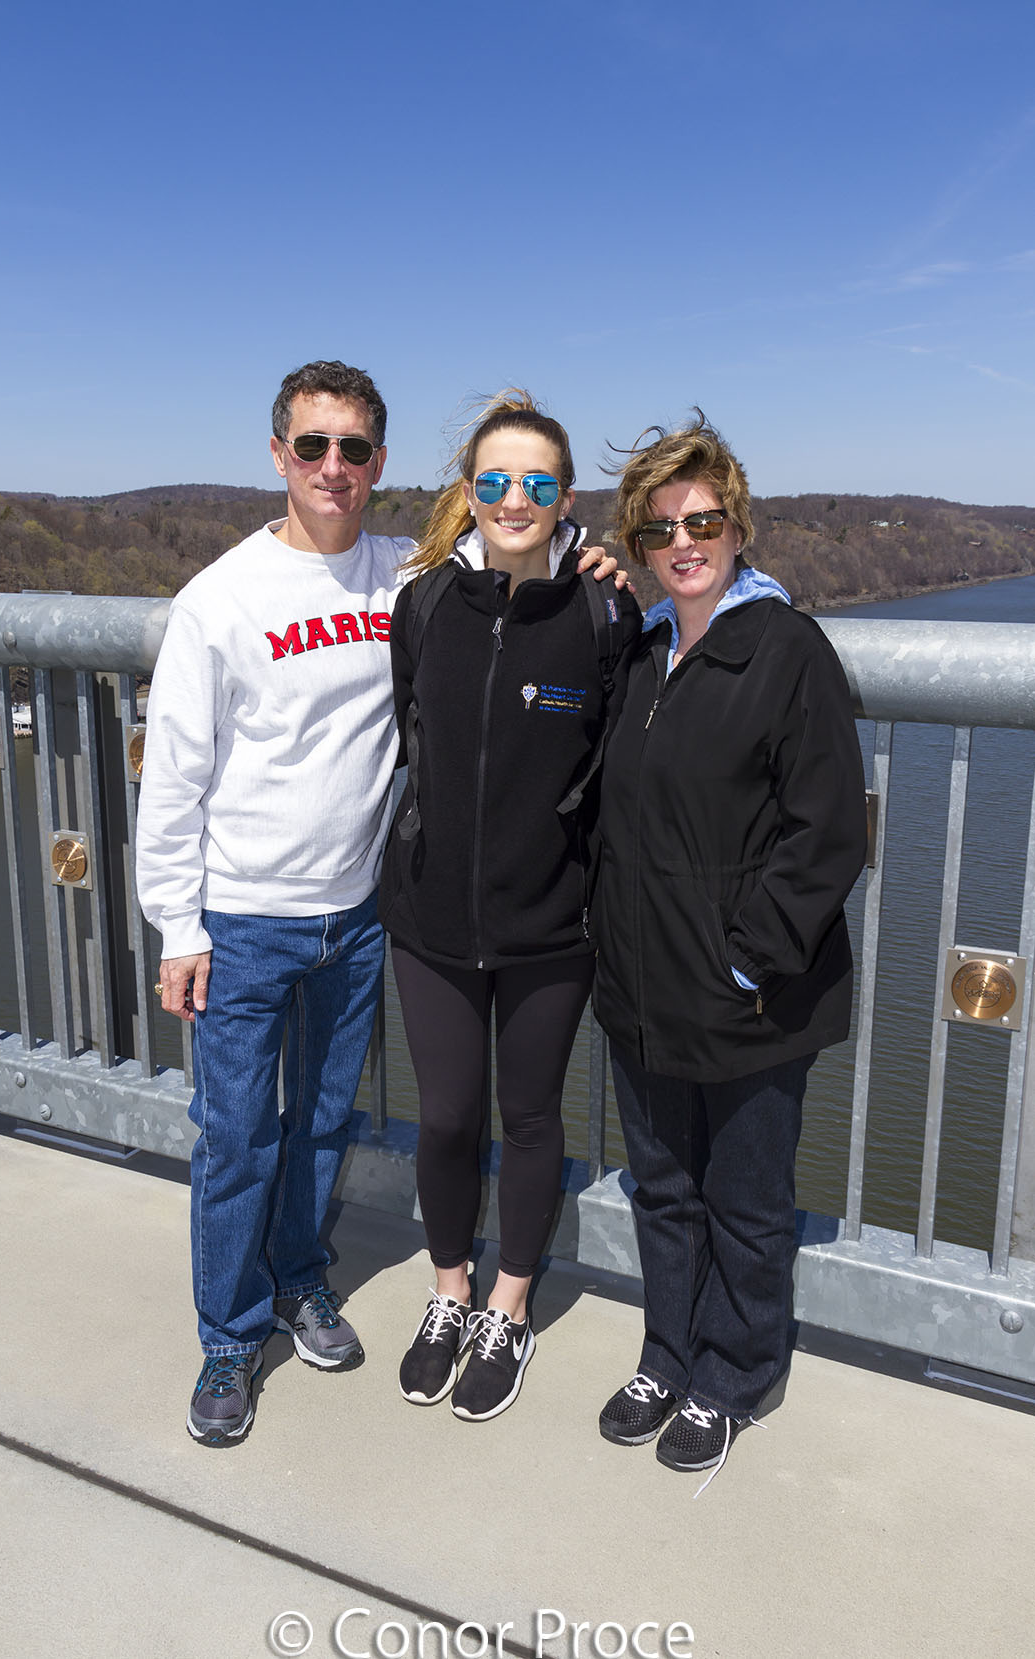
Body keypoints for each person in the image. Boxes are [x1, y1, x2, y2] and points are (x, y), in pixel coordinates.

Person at [136, 360, 415, 1445]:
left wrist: (588, 551)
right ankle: (229, 1333)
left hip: (357, 916)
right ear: (277, 455)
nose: (332, 467)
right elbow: (175, 780)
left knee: (323, 1120)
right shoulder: (221, 600)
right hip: (243, 923)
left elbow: (512, 543)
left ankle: (300, 1277)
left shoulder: (403, 572)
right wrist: (179, 927)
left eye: (353, 448)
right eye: (312, 445)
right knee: (238, 1138)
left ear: (377, 463)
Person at [592, 413, 866, 1486]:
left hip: (749, 999)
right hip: (642, 989)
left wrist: (749, 958)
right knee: (662, 1190)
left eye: (703, 520)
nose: (684, 542)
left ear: (737, 527)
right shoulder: (643, 652)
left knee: (746, 1207)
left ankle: (735, 1373)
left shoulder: (786, 651)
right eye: (660, 528)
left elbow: (827, 831)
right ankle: (668, 1354)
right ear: (640, 544)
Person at [379, 392, 642, 1422]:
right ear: (468, 492)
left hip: (550, 923)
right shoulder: (424, 607)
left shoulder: (603, 611)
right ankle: (449, 1291)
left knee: (528, 1119)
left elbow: (625, 756)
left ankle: (509, 1308)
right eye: (494, 480)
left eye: (537, 482)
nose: (514, 498)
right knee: (446, 1115)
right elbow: (411, 734)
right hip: (432, 917)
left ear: (565, 498)